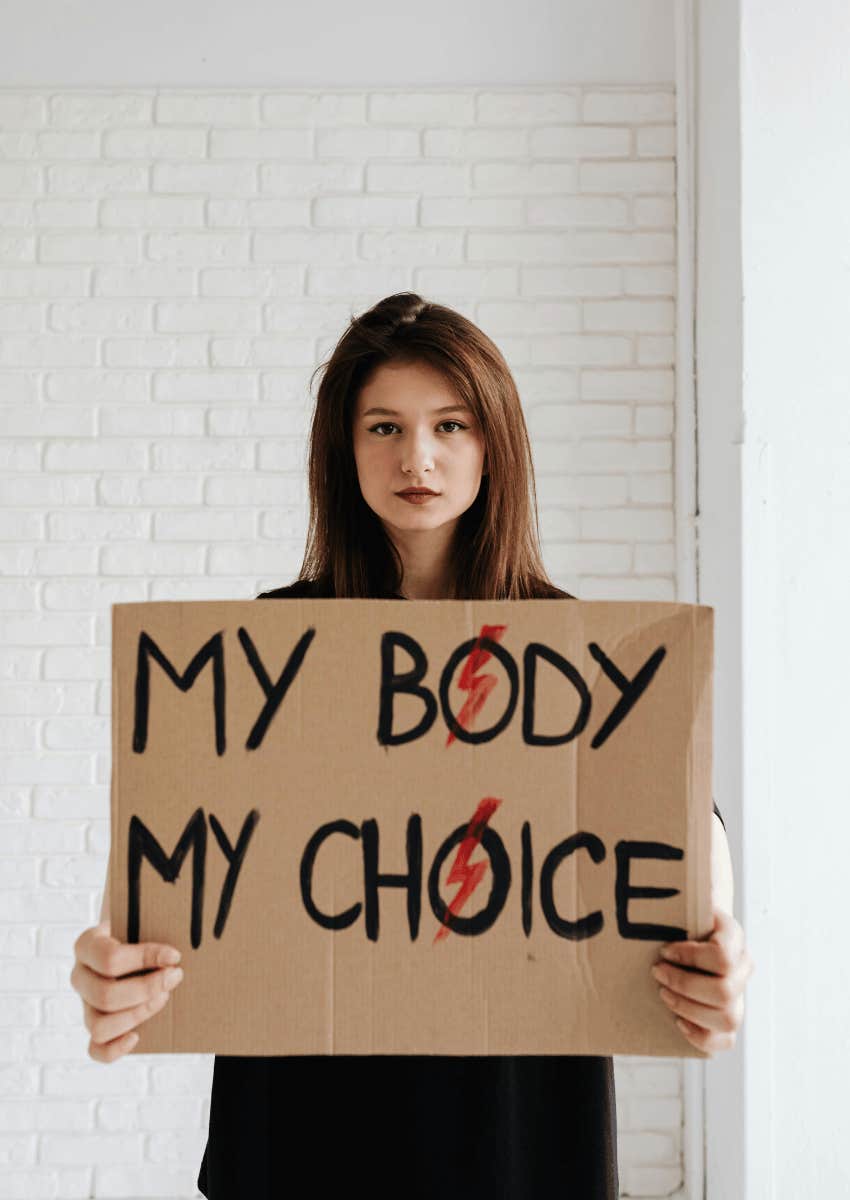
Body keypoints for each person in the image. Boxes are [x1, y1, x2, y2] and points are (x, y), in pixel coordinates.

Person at [70, 292, 753, 1199]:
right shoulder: (265, 647)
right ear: (343, 450)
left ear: (493, 443)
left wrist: (720, 956)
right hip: (298, 1139)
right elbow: (183, 855)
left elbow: (677, 841)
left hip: (519, 1137)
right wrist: (116, 970)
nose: (417, 458)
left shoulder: (582, 652)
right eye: (383, 426)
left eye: (451, 425)